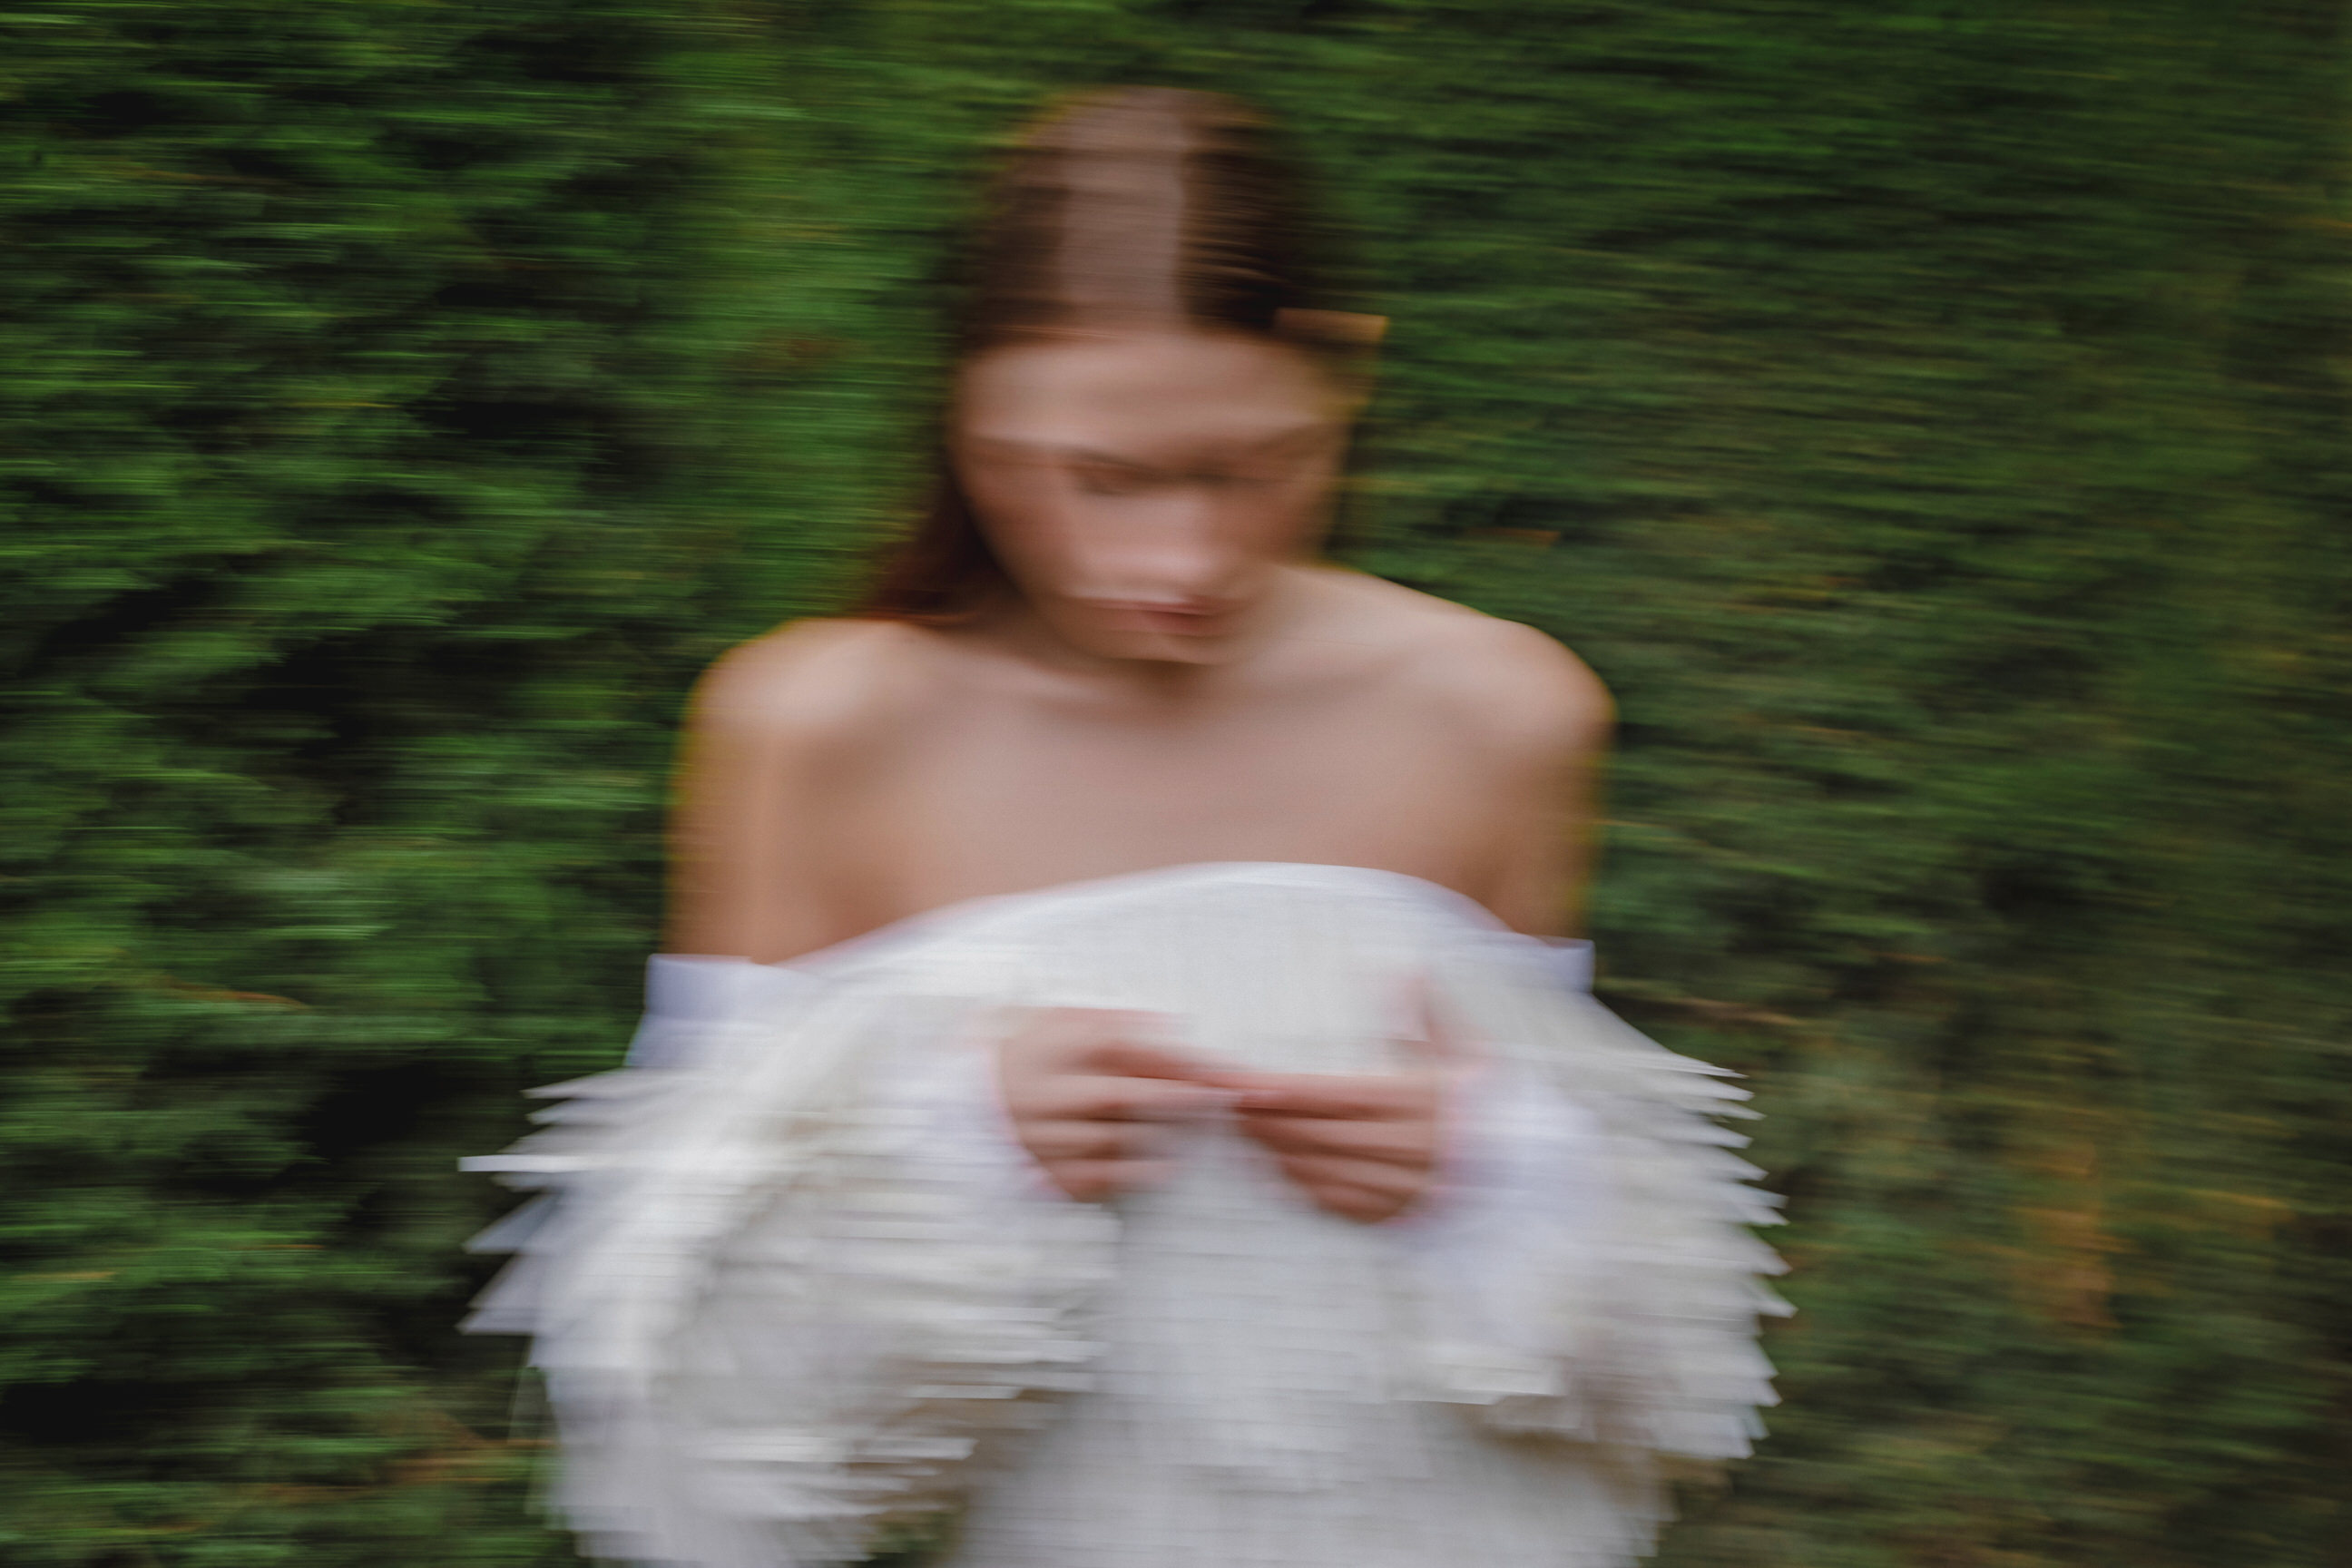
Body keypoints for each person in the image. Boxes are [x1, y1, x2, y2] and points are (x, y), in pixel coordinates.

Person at [465, 87, 1785, 1568]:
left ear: (1346, 376)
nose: (1183, 559)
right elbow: (669, 1428)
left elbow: (1658, 1388)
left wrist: (1503, 1180)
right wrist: (955, 1152)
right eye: (1096, 479)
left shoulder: (1499, 711)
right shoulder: (820, 729)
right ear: (968, 420)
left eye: (1253, 469)